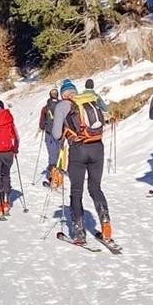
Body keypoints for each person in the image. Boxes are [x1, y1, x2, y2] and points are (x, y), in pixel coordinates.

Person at [58, 79, 112, 244]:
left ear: (63, 94)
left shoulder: (64, 105)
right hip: (97, 147)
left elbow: (55, 134)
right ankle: (106, 225)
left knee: (76, 191)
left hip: (78, 150)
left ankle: (79, 232)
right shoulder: (88, 99)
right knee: (95, 188)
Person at [37, 87, 63, 186]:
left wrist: (43, 126)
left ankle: (52, 177)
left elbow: (41, 124)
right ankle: (59, 176)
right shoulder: (61, 105)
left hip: (50, 133)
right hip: (60, 133)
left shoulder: (46, 107)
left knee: (52, 154)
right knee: (59, 154)